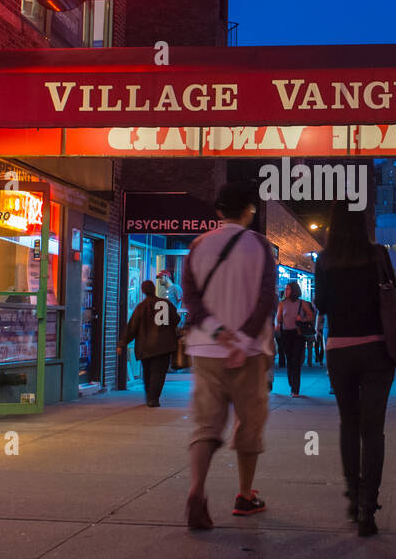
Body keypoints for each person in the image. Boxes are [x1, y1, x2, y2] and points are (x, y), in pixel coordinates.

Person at [180, 182, 277, 530]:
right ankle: (245, 495)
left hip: (206, 349)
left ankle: (196, 490)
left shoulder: (198, 245)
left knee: (206, 424)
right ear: (249, 211)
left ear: (219, 212)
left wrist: (220, 335)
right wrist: (242, 339)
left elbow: (190, 300)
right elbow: (268, 298)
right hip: (249, 354)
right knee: (249, 424)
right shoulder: (260, 247)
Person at [314, 201, 396, 537]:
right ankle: (367, 507)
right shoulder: (378, 254)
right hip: (377, 348)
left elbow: (320, 304)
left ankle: (352, 495)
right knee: (373, 430)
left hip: (340, 350)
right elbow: (393, 293)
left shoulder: (325, 260)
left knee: (349, 423)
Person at [118, 280, 180, 407]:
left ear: (143, 291)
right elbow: (177, 319)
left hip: (145, 346)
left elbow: (132, 327)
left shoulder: (141, 307)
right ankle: (154, 398)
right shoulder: (166, 304)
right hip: (164, 345)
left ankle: (149, 396)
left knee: (147, 372)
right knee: (159, 373)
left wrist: (122, 343)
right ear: (154, 289)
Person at [274, 281, 316, 396]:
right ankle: (292, 384)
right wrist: (277, 325)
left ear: (294, 290)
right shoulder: (282, 303)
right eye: (286, 289)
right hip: (285, 334)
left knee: (296, 361)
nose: (285, 291)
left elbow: (311, 316)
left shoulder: (302, 303)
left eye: (288, 289)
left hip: (298, 334)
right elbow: (278, 317)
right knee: (289, 360)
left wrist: (302, 319)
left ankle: (295, 389)